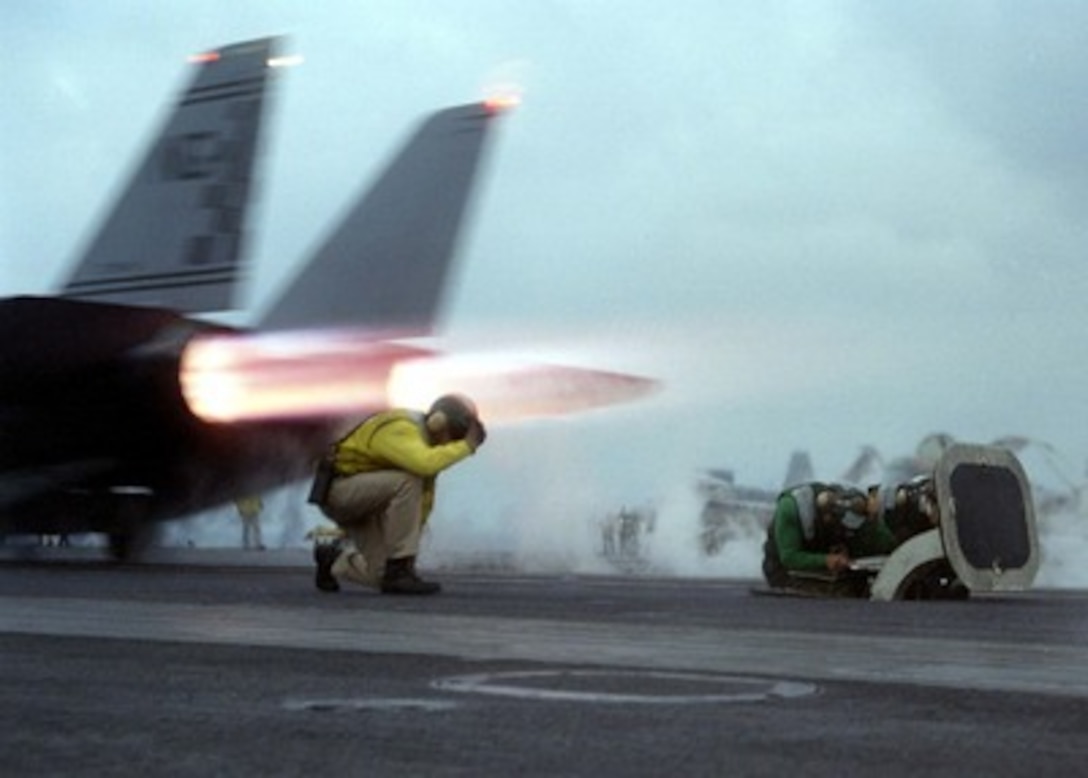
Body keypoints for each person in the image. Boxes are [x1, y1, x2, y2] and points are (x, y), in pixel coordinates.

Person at [311, 393, 486, 595]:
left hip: (367, 500)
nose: (451, 444)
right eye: (453, 436)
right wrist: (466, 446)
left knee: (379, 575)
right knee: (407, 481)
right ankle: (398, 570)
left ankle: (332, 560)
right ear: (439, 423)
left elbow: (423, 499)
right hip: (340, 492)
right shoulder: (403, 429)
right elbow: (425, 464)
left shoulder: (424, 443)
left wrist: (411, 542)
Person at [762, 482, 897, 597]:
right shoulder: (790, 509)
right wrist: (827, 560)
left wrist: (874, 519)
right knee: (846, 591)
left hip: (821, 558)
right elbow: (789, 557)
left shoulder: (842, 505)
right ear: (827, 517)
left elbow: (888, 545)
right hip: (783, 571)